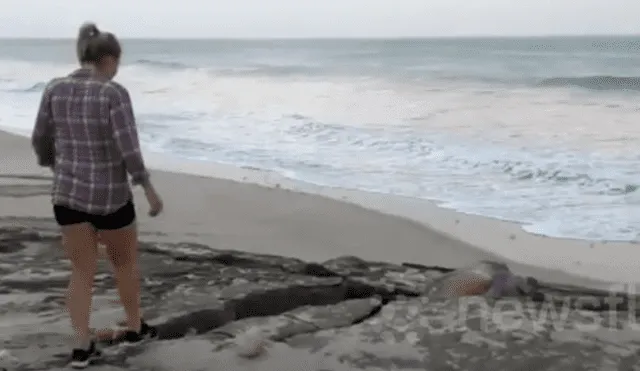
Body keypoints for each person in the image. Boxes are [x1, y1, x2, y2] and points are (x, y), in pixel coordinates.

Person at [31, 22, 163, 369]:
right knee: (124, 264)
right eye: (117, 62)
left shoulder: (54, 89)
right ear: (108, 59)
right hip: (111, 198)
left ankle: (81, 346)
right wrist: (148, 188)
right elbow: (128, 148)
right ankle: (135, 327)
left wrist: (52, 164)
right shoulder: (112, 93)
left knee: (81, 271)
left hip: (68, 196)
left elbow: (40, 137)